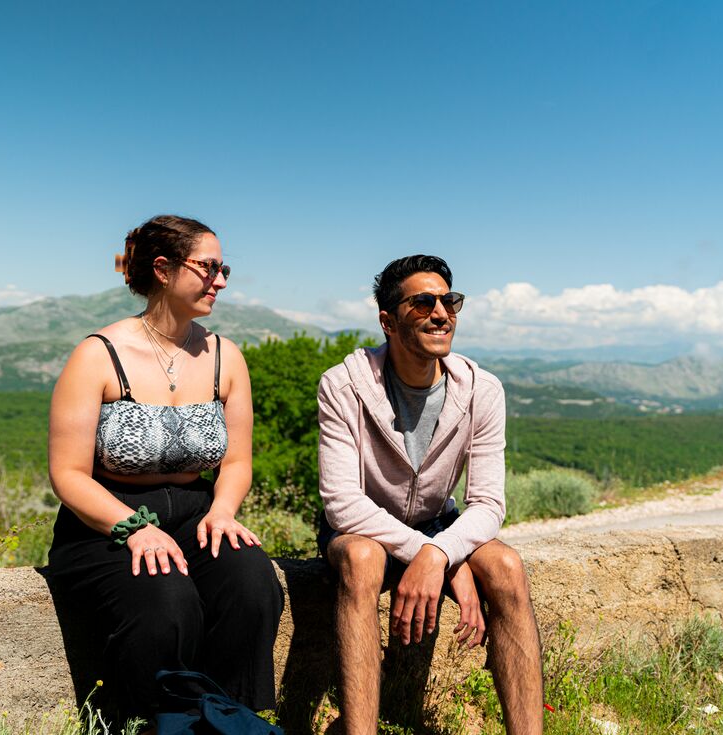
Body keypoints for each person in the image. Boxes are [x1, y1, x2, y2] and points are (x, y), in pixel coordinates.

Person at [46, 214, 284, 724]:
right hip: (107, 520)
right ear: (162, 269)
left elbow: (237, 461)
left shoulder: (225, 357)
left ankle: (228, 719)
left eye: (223, 269)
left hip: (198, 512)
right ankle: (154, 723)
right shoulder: (98, 356)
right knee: (166, 600)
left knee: (253, 586)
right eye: (209, 267)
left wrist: (223, 511)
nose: (220, 281)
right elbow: (68, 474)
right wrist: (134, 528)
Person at [317, 255, 543, 735]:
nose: (441, 314)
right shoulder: (343, 385)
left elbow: (488, 503)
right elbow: (341, 503)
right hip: (363, 529)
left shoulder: (482, 390)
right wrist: (433, 555)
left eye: (449, 301)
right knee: (361, 559)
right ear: (388, 321)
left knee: (506, 566)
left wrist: (440, 553)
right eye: (422, 303)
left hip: (438, 526)